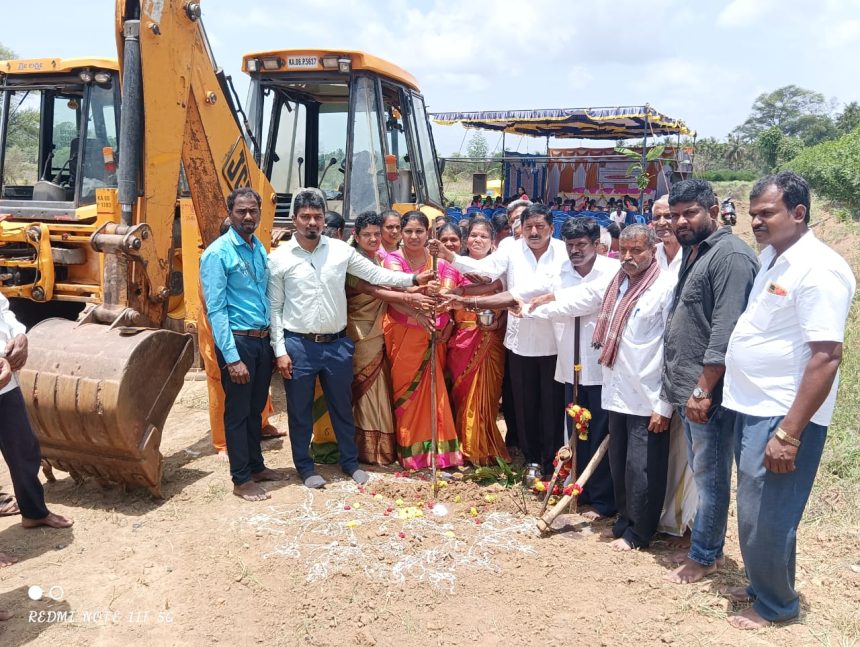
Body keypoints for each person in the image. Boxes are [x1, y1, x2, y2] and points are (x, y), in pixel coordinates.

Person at [722, 172, 855, 630]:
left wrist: (789, 431)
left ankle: (776, 606)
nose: (755, 221)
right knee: (757, 508)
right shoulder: (773, 258)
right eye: (752, 213)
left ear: (798, 213)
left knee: (770, 515)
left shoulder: (819, 270)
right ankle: (764, 583)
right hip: (754, 404)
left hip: (782, 413)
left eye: (767, 213)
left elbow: (826, 357)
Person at [268, 193, 435, 488]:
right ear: (294, 219)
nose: (312, 222)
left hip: (336, 345)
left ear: (324, 220)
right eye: (305, 217)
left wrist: (412, 280)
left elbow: (374, 273)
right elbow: (275, 308)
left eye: (317, 217)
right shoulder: (279, 258)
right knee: (300, 410)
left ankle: (349, 462)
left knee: (342, 407)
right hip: (299, 345)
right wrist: (280, 350)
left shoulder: (338, 251)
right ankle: (306, 468)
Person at [661, 179, 758, 584]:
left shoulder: (731, 257)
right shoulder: (695, 251)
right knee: (704, 470)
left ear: (713, 210)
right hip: (686, 385)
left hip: (708, 391)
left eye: (690, 213)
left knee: (711, 473)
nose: (680, 221)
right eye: (674, 214)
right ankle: (703, 542)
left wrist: (703, 389)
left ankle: (705, 555)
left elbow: (724, 332)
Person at [430, 203, 568, 476]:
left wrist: (470, 301)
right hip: (519, 342)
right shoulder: (511, 249)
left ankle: (554, 458)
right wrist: (451, 257)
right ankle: (531, 460)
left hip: (553, 342)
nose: (534, 232)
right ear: (520, 230)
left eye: (540, 226)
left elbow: (535, 289)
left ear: (551, 228)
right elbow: (488, 269)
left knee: (552, 403)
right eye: (528, 227)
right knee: (524, 403)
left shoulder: (563, 253)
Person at [527, 217, 620, 519]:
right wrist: (510, 301)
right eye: (570, 245)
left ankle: (603, 500)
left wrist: (543, 306)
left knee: (599, 434)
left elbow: (586, 301)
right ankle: (577, 489)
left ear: (597, 245)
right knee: (575, 433)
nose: (575, 251)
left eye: (581, 245)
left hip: (599, 368)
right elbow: (530, 291)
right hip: (570, 365)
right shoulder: (561, 271)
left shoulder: (611, 271)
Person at [200, 187, 287, 502]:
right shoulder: (217, 253)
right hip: (238, 342)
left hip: (261, 340)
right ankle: (241, 479)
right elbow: (216, 310)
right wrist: (232, 358)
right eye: (241, 211)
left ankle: (256, 466)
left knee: (255, 409)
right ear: (230, 212)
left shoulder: (258, 247)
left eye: (253, 211)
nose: (248, 216)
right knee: (237, 412)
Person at [593, 225, 675, 551]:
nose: (627, 256)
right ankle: (624, 520)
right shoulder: (619, 283)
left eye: (636, 251)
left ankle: (640, 533)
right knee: (619, 462)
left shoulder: (665, 288)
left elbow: (673, 348)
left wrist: (664, 404)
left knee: (643, 468)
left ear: (653, 251)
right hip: (616, 390)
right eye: (623, 250)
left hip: (648, 396)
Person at [0, 293, 74, 623]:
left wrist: (20, 337)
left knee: (24, 450)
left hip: (5, 384)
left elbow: (5, 313)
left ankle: (33, 511)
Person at [346, 211, 439, 465]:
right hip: (360, 331)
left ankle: (379, 447)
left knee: (378, 386)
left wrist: (414, 292)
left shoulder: (379, 259)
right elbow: (373, 290)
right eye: (367, 235)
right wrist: (412, 295)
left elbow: (390, 286)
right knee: (365, 387)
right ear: (356, 236)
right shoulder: (352, 261)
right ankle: (364, 449)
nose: (374, 238)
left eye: (377, 234)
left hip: (378, 330)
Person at [382, 211, 464, 470]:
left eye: (419, 231)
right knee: (407, 395)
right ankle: (412, 454)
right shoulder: (392, 260)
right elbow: (396, 295)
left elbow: (448, 297)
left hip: (435, 337)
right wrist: (418, 312)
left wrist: (446, 320)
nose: (414, 236)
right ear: (400, 234)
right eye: (408, 231)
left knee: (435, 393)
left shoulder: (439, 263)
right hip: (404, 334)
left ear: (429, 233)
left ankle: (440, 455)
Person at [650, 195, 696, 543]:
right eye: (659, 216)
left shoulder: (693, 256)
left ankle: (683, 518)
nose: (665, 222)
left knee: (685, 448)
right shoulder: (648, 258)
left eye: (671, 216)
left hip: (683, 368)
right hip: (650, 366)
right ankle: (658, 509)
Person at [446, 219, 510, 466]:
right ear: (465, 240)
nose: (477, 240)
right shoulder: (454, 270)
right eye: (473, 235)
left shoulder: (501, 271)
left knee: (488, 397)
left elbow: (506, 301)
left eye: (483, 236)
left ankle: (483, 446)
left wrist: (497, 323)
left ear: (492, 242)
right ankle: (463, 446)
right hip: (462, 339)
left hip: (490, 338)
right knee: (461, 394)